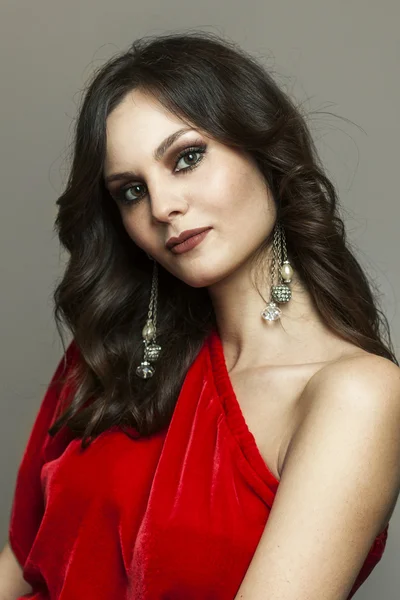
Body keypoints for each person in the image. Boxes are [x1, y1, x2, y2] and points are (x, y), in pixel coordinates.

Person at [2, 30, 400, 600]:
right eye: (132, 191)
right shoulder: (110, 356)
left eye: (187, 158)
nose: (163, 207)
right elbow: (21, 562)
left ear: (263, 150)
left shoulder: (355, 394)